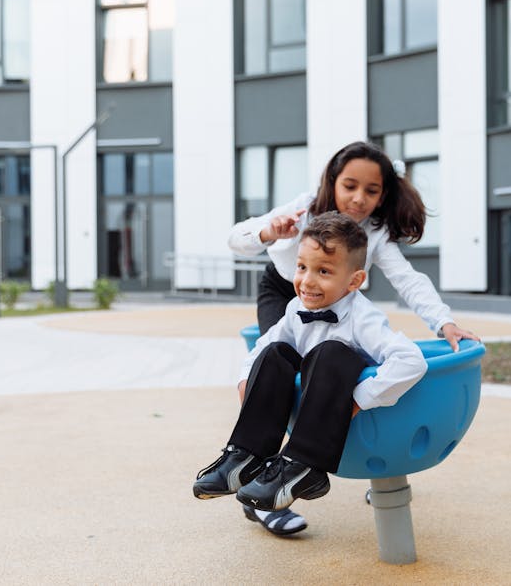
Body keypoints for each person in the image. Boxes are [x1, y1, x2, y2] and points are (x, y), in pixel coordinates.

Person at [227, 140, 479, 534]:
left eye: (371, 190)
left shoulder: (375, 231)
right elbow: (236, 238)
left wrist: (443, 323)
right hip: (287, 292)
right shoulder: (305, 208)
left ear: (383, 195)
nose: (359, 198)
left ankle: (368, 465)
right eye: (349, 186)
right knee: (278, 371)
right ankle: (259, 489)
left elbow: (408, 280)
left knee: (342, 366)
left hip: (339, 295)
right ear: (332, 181)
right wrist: (266, 231)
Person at [194, 212, 428, 524]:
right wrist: (246, 380)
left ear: (354, 281)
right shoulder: (296, 308)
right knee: (276, 352)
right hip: (306, 409)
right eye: (302, 267)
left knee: (331, 352)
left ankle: (305, 467)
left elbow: (412, 360)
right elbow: (263, 346)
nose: (307, 281)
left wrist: (359, 398)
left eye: (324, 271)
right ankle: (247, 455)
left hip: (343, 425)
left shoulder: (363, 316)